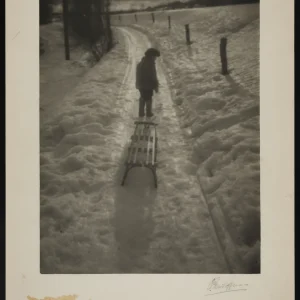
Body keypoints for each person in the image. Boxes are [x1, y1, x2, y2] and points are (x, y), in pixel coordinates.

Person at [135, 48, 160, 118]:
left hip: (140, 85)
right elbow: (153, 76)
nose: (155, 59)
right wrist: (156, 86)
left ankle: (141, 113)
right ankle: (148, 113)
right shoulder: (150, 64)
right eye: (155, 57)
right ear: (151, 56)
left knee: (143, 97)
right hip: (147, 85)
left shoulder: (141, 63)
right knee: (148, 98)